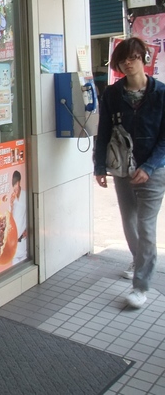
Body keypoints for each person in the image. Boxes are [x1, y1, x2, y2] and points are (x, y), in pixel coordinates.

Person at [94, 37, 165, 309]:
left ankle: (140, 286)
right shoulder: (112, 94)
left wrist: (149, 167)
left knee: (146, 227)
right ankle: (139, 260)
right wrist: (99, 166)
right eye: (122, 59)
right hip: (123, 169)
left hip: (154, 171)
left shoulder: (160, 93)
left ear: (144, 58)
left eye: (133, 57)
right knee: (129, 222)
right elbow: (104, 132)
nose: (128, 63)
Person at [10, 170, 27, 263]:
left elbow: (30, 213)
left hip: (23, 240)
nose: (15, 188)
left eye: (16, 184)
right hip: (14, 243)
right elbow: (9, 219)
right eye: (14, 185)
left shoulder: (25, 195)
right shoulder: (12, 199)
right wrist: (11, 205)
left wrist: (28, 229)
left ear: (19, 182)